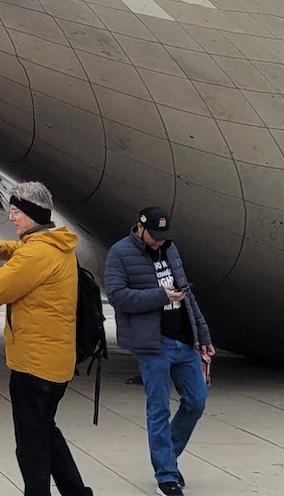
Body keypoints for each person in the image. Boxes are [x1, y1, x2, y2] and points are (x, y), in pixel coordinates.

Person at [0, 183, 90, 496]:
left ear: (31, 215)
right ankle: (76, 492)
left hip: (34, 367)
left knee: (31, 446)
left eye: (16, 212)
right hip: (55, 363)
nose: (12, 217)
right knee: (46, 430)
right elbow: (26, 250)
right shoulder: (56, 244)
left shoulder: (36, 254)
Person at [105, 206, 213, 496]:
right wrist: (160, 296)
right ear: (139, 228)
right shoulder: (120, 253)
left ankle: (168, 458)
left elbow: (188, 296)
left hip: (184, 339)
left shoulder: (170, 249)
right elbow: (116, 295)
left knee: (197, 401)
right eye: (155, 236)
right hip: (153, 343)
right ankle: (165, 475)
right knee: (159, 408)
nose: (160, 242)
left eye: (164, 236)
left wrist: (202, 334)